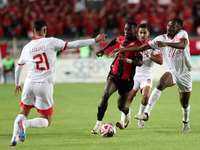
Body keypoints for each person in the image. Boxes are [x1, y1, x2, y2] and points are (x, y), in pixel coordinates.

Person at [9, 19, 106, 147]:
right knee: (46, 120)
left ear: (33, 31)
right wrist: (95, 40)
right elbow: (75, 44)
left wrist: (17, 83)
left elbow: (18, 67)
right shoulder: (51, 42)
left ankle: (14, 138)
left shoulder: (27, 47)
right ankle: (25, 124)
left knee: (22, 113)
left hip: (28, 84)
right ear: (45, 30)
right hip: (44, 85)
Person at [109, 17, 192, 132]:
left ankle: (185, 121)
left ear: (179, 27)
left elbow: (182, 45)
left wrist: (165, 44)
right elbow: (142, 47)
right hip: (172, 71)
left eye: (173, 26)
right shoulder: (160, 39)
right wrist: (121, 50)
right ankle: (146, 113)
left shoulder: (182, 34)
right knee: (161, 83)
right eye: (168, 25)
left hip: (185, 73)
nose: (169, 28)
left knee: (184, 103)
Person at [91, 20, 143, 134]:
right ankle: (98, 124)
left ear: (135, 31)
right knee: (105, 95)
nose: (126, 31)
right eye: (125, 29)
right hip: (114, 74)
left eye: (129, 29)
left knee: (121, 106)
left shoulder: (137, 44)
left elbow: (139, 62)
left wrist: (127, 60)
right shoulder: (122, 38)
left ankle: (127, 112)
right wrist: (104, 49)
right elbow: (115, 40)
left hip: (127, 79)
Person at [119, 23, 163, 129]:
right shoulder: (134, 44)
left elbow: (161, 61)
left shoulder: (152, 46)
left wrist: (150, 56)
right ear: (137, 33)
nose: (142, 35)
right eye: (140, 32)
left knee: (146, 96)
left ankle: (140, 116)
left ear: (148, 34)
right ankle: (123, 120)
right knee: (129, 97)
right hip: (135, 76)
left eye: (144, 33)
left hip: (147, 75)